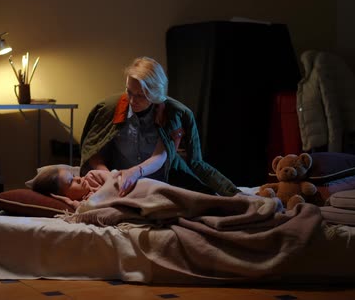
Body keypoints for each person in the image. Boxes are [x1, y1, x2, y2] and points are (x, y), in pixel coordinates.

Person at [79, 56, 240, 197]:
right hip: (118, 182)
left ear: (155, 94)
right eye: (129, 92)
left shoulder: (172, 113)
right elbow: (93, 150)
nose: (133, 100)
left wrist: (136, 172)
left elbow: (161, 156)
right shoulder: (108, 109)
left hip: (159, 183)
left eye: (141, 95)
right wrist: (110, 178)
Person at [31, 167, 108, 209]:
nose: (78, 178)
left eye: (74, 175)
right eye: (71, 181)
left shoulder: (92, 177)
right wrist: (70, 203)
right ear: (62, 196)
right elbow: (85, 211)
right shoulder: (83, 203)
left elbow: (116, 178)